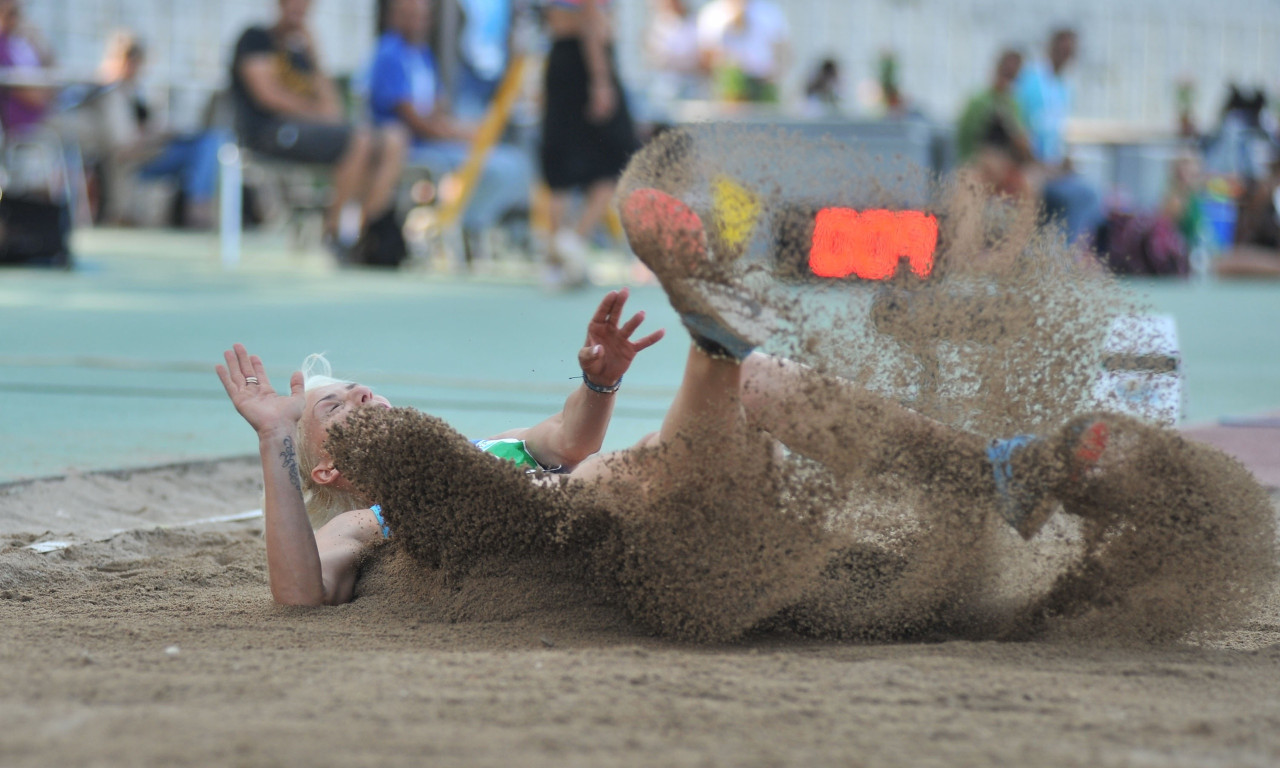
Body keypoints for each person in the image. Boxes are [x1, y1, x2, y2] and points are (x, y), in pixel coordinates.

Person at [217, 189, 1117, 608]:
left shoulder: (484, 449)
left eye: (356, 385)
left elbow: (569, 436)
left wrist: (598, 377)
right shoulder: (366, 516)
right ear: (329, 463)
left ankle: (995, 472)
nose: (360, 392)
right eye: (336, 409)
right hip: (636, 533)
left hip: (662, 492)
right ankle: (706, 328)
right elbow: (299, 599)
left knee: (756, 381)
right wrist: (273, 442)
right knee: (628, 465)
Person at [230, 0, 408, 256]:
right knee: (360, 140)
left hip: (304, 131)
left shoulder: (302, 54)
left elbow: (333, 111)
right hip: (269, 133)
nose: (298, 9)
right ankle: (333, 234)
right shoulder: (256, 38)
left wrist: (315, 58)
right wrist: (315, 113)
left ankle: (366, 230)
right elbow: (268, 96)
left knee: (393, 139)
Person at [367, 0, 532, 246]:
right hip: (414, 147)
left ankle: (471, 223)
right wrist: (461, 136)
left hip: (436, 141)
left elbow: (438, 109)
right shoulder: (390, 53)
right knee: (501, 168)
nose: (418, 23)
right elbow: (414, 121)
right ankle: (462, 225)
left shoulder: (422, 54)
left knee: (516, 163)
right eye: (410, 16)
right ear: (395, 17)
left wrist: (464, 130)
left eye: (422, 17)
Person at [539, 0, 641, 284]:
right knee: (619, 156)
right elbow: (590, 17)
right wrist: (601, 80)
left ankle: (557, 259)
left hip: (561, 60)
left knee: (560, 166)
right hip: (585, 65)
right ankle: (572, 241)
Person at [88, 32, 226, 228]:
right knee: (209, 144)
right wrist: (155, 135)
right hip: (135, 161)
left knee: (213, 141)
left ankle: (201, 205)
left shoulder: (133, 92)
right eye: (130, 61)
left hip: (150, 153)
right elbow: (123, 147)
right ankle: (197, 209)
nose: (135, 68)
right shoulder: (110, 94)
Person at [1014, 28, 1102, 243]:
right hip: (1030, 166)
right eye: (1063, 50)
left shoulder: (1064, 87)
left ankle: (1060, 254)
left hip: (1052, 169)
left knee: (1091, 197)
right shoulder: (1029, 81)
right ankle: (1057, 257)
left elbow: (1056, 134)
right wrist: (1040, 165)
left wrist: (1063, 162)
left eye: (1070, 52)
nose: (1067, 56)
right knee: (1081, 196)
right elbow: (1019, 130)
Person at [956, 49, 1034, 198]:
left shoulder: (1014, 105)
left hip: (1006, 167)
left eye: (1012, 76)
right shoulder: (979, 101)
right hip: (980, 164)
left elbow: (1022, 143)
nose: (1007, 80)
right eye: (1005, 73)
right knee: (969, 184)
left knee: (1028, 187)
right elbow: (966, 141)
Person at [695, 0, 790, 104]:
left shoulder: (769, 11)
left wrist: (774, 75)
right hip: (727, 90)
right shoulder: (712, 13)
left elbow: (783, 50)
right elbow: (705, 56)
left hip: (763, 85)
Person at [0, 0, 53, 137]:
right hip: (23, 122)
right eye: (12, 14)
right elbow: (28, 94)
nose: (16, 19)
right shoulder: (2, 44)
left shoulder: (19, 41)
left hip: (39, 115)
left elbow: (50, 61)